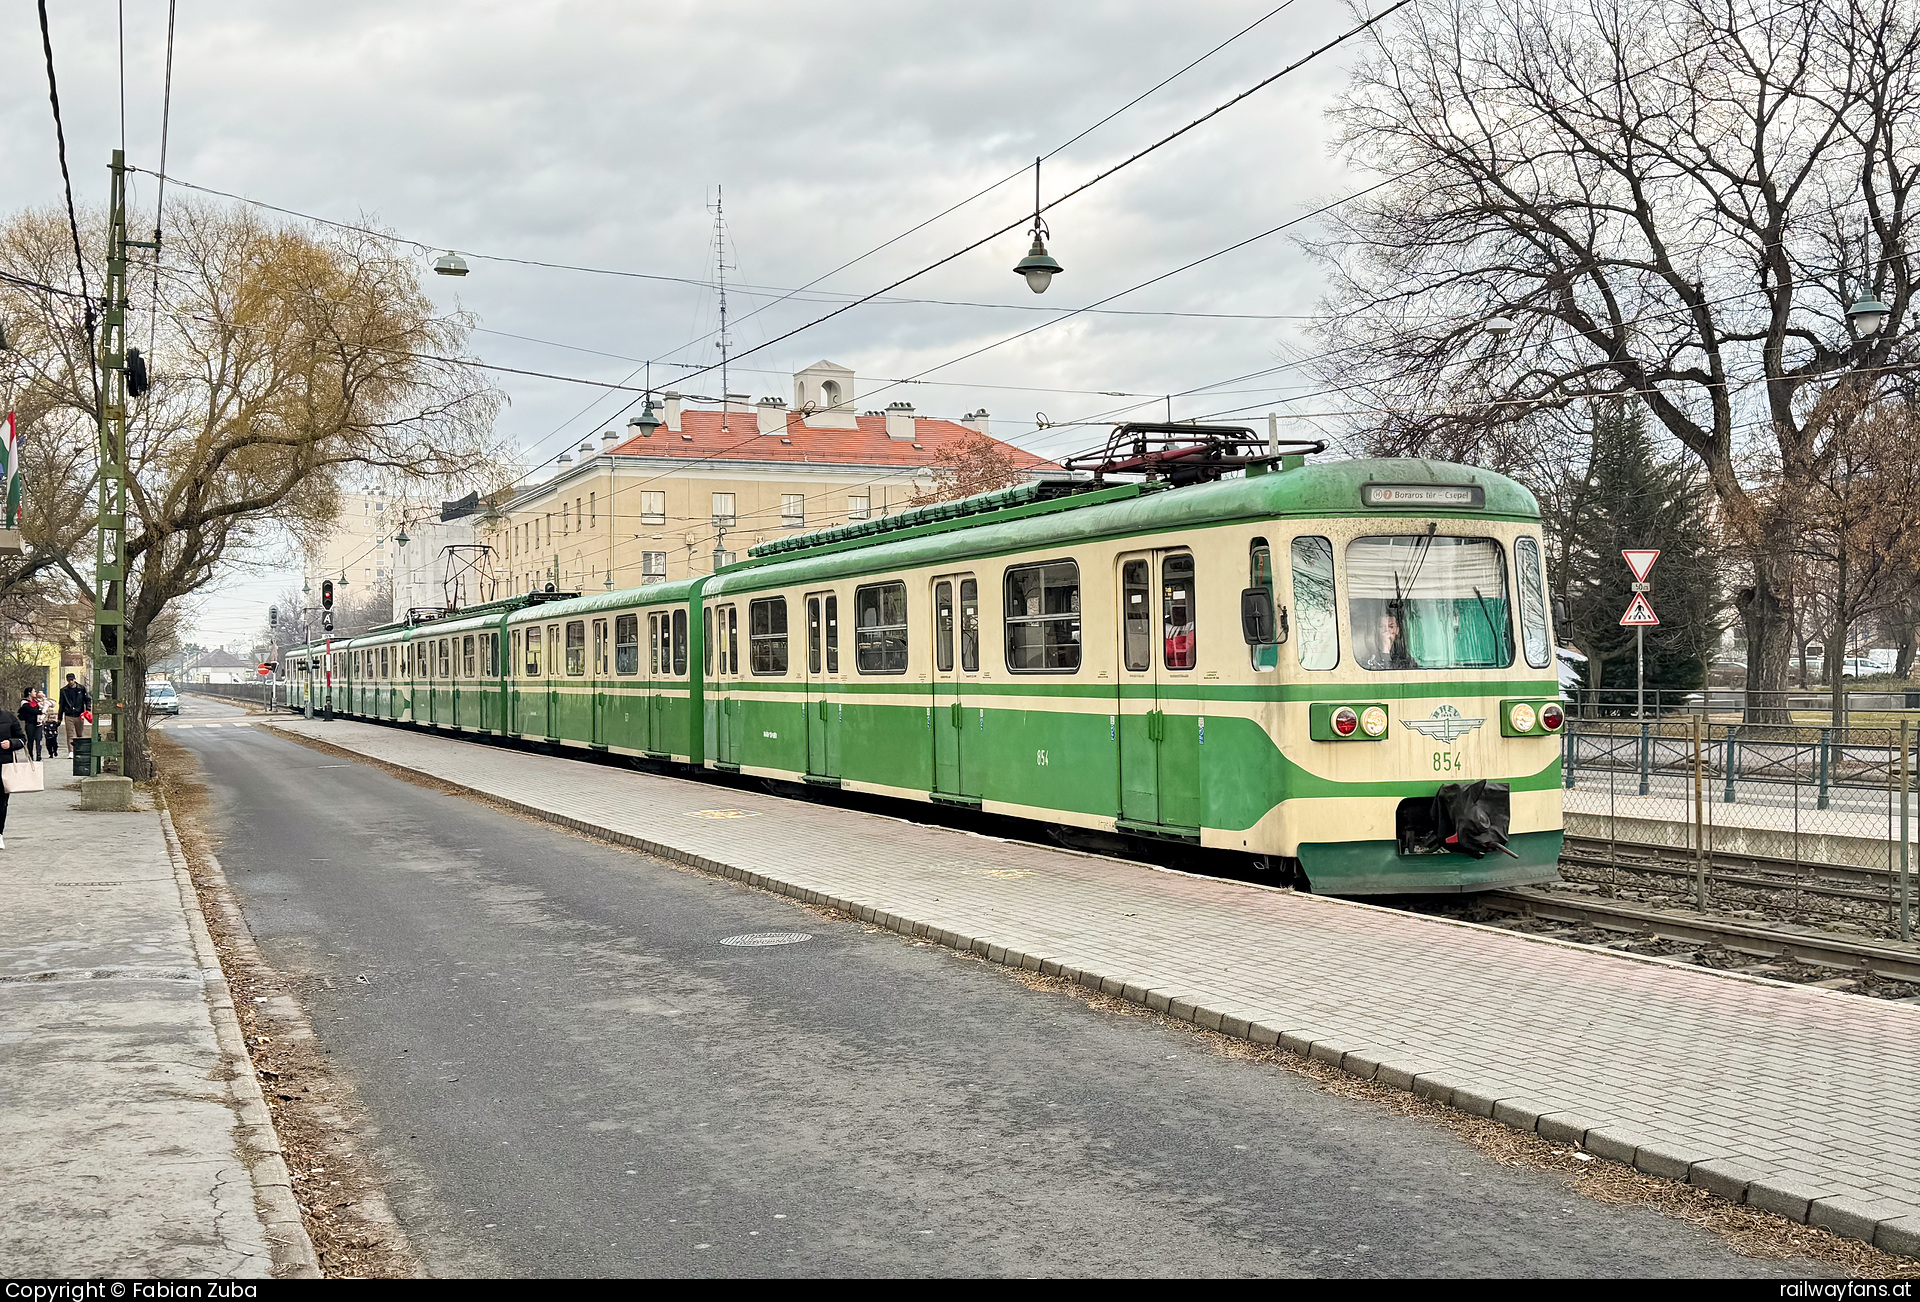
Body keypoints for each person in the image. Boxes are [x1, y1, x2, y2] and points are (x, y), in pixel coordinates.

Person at [0, 702, 27, 849]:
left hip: (4, 767)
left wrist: (11, 743)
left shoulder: (9, 718)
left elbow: (22, 739)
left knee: (2, 804)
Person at [57, 673, 89, 753]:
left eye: (71, 680)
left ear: (74, 679)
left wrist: (88, 710)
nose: (70, 682)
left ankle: (79, 749)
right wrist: (59, 717)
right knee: (70, 734)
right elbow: (61, 704)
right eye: (69, 680)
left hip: (79, 714)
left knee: (80, 733)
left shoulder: (81, 688)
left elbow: (87, 699)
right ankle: (71, 751)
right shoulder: (64, 691)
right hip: (69, 714)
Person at [17, 691, 43, 761]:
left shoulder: (37, 701)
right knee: (30, 739)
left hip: (38, 723)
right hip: (29, 723)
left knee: (38, 739)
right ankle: (30, 755)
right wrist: (39, 711)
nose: (35, 693)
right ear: (29, 693)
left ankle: (39, 754)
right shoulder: (24, 702)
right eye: (34, 691)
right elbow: (31, 710)